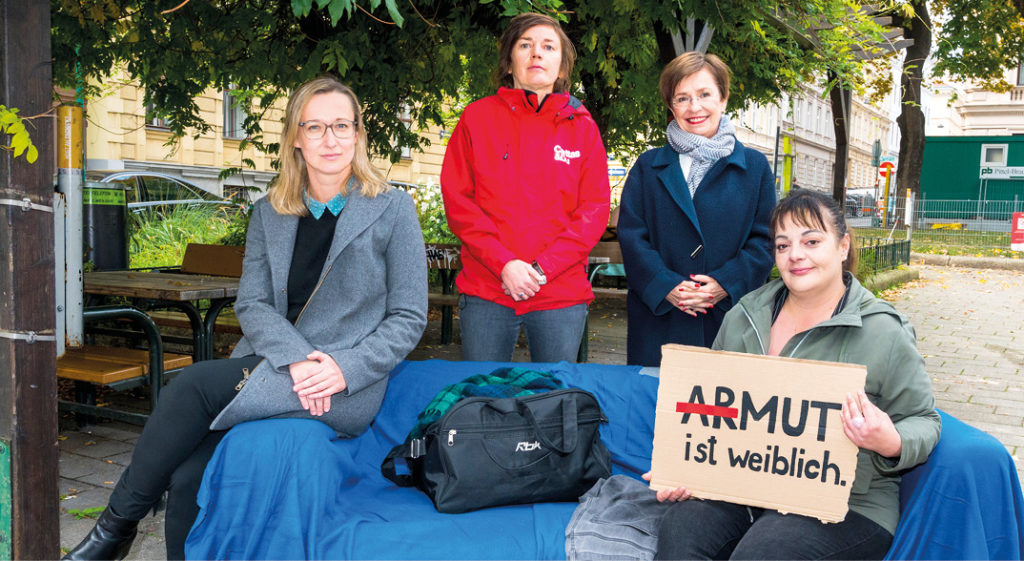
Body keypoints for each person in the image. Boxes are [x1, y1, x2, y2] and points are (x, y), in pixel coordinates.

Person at [63, 77, 428, 560]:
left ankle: (115, 530)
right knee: (189, 474)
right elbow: (253, 303)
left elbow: (408, 316)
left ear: (359, 134)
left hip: (345, 384)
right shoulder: (270, 211)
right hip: (277, 364)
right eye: (315, 127)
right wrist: (297, 358)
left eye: (342, 125)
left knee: (191, 385)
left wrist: (343, 369)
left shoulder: (393, 208)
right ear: (296, 138)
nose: (330, 139)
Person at [646, 189, 941, 559]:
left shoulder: (885, 330)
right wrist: (686, 466)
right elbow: (710, 412)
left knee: (764, 552)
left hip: (849, 503)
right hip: (746, 486)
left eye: (812, 241)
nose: (795, 255)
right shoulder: (744, 316)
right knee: (681, 528)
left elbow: (924, 420)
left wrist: (891, 441)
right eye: (783, 246)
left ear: (843, 246)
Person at [441, 12, 610, 363]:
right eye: (525, 45)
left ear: (561, 68)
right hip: (489, 289)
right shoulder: (476, 119)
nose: (537, 54)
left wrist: (542, 269)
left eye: (548, 47)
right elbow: (459, 202)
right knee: (482, 397)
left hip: (559, 294)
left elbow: (593, 211)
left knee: (553, 398)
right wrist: (504, 264)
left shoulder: (583, 128)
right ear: (509, 62)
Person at [617, 52, 775, 367]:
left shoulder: (755, 167)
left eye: (704, 95)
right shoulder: (648, 166)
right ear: (670, 106)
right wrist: (666, 286)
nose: (694, 107)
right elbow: (632, 235)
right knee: (655, 409)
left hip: (728, 321)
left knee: (723, 411)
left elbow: (765, 240)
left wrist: (724, 284)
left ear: (724, 99)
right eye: (682, 98)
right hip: (660, 322)